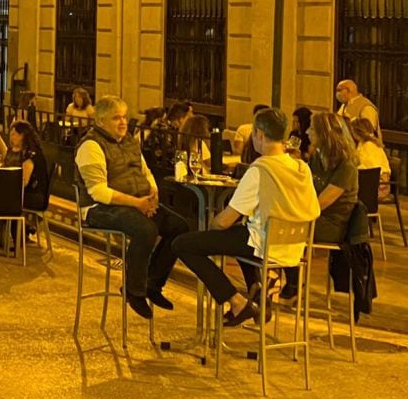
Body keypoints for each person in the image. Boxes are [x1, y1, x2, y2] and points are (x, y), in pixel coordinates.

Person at [173, 108, 320, 326]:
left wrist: (212, 224)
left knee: (183, 244)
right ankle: (259, 298)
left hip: (264, 245)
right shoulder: (302, 167)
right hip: (295, 248)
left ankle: (237, 302)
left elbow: (224, 221)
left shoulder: (260, 170)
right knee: (241, 236)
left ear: (259, 134)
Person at [75, 95, 189, 319]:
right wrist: (137, 204)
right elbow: (98, 192)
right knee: (145, 229)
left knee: (179, 227)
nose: (123, 122)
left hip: (137, 201)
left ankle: (152, 284)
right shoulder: (91, 146)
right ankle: (133, 290)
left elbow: (144, 170)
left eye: (124, 117)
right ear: (100, 121)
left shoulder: (129, 141)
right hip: (99, 207)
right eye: (116, 118)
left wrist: (152, 195)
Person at [277, 110, 359, 302]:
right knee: (270, 222)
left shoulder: (346, 166)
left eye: (312, 129)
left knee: (282, 227)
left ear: (324, 134)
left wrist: (292, 211)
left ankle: (293, 280)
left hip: (333, 223)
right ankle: (288, 279)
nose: (306, 133)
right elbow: (305, 188)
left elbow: (322, 202)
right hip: (315, 216)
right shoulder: (317, 158)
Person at [5, 120, 49, 213]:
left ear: (22, 136)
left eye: (14, 134)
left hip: (32, 195)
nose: (11, 137)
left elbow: (24, 181)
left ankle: (3, 225)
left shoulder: (31, 154)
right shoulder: (14, 150)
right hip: (21, 192)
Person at [351, 116, 391, 201]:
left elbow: (371, 170)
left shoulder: (369, 146)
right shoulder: (363, 144)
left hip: (378, 188)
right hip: (372, 184)